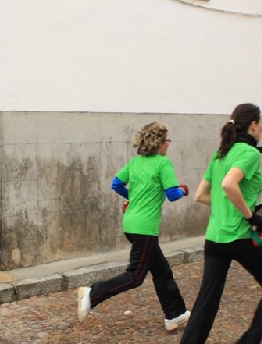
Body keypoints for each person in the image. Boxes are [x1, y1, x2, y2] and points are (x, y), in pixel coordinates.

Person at [160, 103, 262, 344]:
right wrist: (250, 216)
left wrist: (229, 208)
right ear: (253, 125)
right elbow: (230, 185)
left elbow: (203, 195)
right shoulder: (250, 153)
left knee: (205, 307)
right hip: (239, 237)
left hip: (214, 238)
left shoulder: (221, 153)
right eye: (261, 123)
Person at [77, 122, 191, 331]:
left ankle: (175, 314)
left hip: (131, 223)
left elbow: (116, 184)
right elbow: (172, 195)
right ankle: (93, 294)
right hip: (145, 228)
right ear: (159, 143)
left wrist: (134, 197)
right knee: (135, 276)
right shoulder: (163, 164)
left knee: (161, 271)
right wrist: (184, 189)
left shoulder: (135, 163)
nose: (169, 145)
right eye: (168, 141)